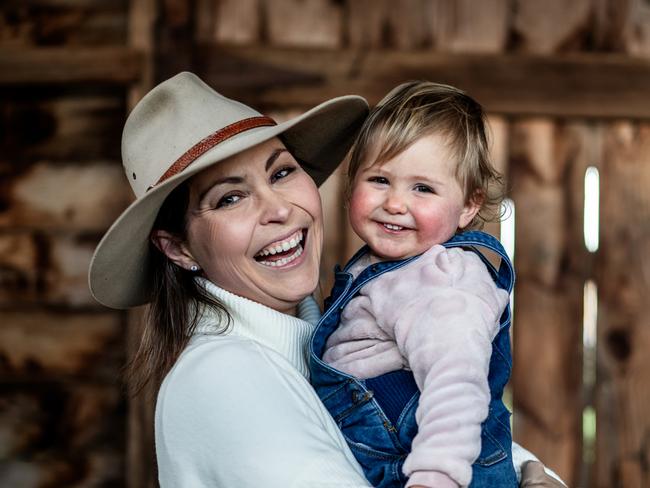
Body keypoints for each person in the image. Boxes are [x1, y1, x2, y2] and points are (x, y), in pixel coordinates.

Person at [88, 72, 565, 487]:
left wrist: (528, 472)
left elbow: (459, 415)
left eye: (281, 172)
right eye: (230, 198)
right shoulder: (221, 376)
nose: (278, 210)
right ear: (179, 247)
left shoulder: (331, 338)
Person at [309, 81, 553, 488]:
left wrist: (435, 476)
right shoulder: (385, 267)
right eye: (379, 180)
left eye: (422, 188)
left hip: (429, 468)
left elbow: (456, 385)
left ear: (469, 206)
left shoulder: (443, 280)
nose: (395, 203)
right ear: (352, 183)